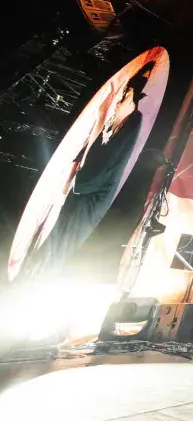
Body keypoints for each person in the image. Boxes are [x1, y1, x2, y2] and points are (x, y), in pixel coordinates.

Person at [18, 64, 152, 282]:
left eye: (121, 100)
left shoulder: (131, 123)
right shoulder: (111, 132)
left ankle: (34, 279)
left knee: (54, 250)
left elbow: (101, 172)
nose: (114, 107)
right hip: (84, 197)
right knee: (50, 248)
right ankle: (34, 276)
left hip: (88, 199)